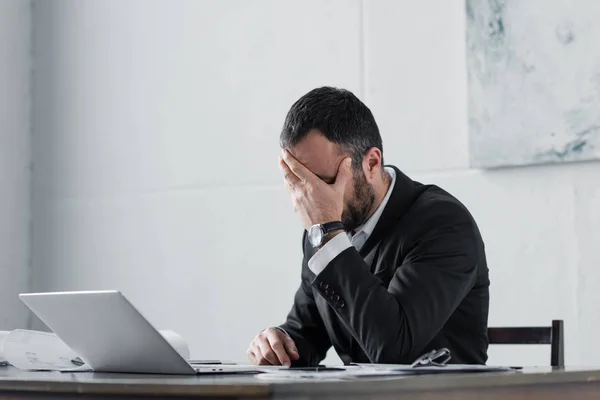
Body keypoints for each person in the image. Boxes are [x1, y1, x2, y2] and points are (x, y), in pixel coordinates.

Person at [247, 87, 489, 367]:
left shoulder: (444, 224)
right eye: (301, 183)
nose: (312, 198)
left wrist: (328, 232)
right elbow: (307, 332)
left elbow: (392, 348)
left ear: (372, 162)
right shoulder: (321, 230)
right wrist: (278, 342)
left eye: (322, 182)